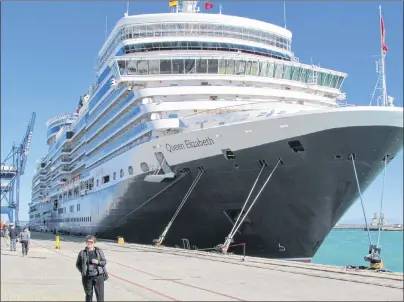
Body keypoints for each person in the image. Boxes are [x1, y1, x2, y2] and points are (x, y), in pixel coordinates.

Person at [76, 235, 108, 302]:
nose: (89, 243)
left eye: (91, 242)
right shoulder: (82, 253)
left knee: (100, 297)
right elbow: (78, 264)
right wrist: (83, 271)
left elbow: (104, 262)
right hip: (87, 278)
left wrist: (98, 262)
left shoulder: (99, 251)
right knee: (88, 295)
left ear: (94, 243)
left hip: (98, 277)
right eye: (88, 242)